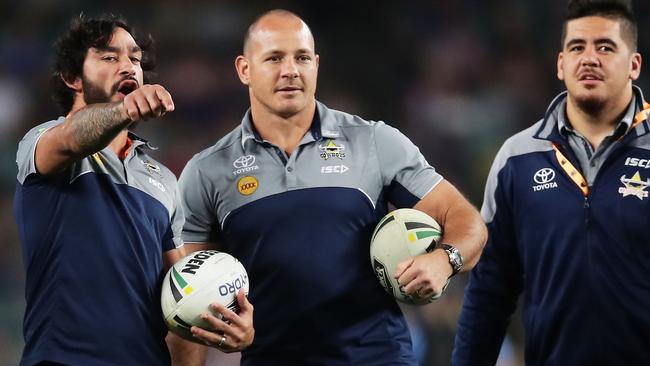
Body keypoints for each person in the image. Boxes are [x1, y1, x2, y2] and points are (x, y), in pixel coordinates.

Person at [178, 9, 487, 365]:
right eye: (274, 58)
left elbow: (467, 222)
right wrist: (226, 329)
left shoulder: (373, 141)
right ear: (244, 69)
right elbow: (189, 302)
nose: (290, 70)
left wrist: (444, 261)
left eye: (302, 58)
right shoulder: (207, 171)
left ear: (316, 65)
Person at [452, 0, 650, 364]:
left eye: (605, 47)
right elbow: (487, 295)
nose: (589, 58)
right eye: (577, 47)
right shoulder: (516, 159)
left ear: (634, 65)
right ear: (561, 64)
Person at [12, 14, 205, 365]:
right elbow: (73, 136)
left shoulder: (164, 179)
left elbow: (180, 298)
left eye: (134, 58)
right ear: (72, 77)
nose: (128, 66)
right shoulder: (42, 143)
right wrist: (124, 108)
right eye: (108, 57)